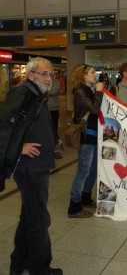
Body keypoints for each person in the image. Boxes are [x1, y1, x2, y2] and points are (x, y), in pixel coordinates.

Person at [0, 57, 63, 274]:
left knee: (29, 217)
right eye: (44, 74)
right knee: (39, 220)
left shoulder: (37, 95)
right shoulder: (22, 94)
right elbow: (2, 126)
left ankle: (19, 263)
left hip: (38, 166)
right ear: (31, 75)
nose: (48, 78)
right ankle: (40, 269)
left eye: (51, 74)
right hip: (30, 168)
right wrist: (19, 148)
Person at [68, 64, 104, 218]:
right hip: (86, 134)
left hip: (95, 133)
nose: (94, 75)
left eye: (94, 73)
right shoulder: (80, 91)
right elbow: (94, 109)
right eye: (91, 73)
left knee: (94, 169)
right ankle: (74, 206)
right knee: (83, 170)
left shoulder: (89, 90)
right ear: (83, 76)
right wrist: (99, 92)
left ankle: (85, 197)